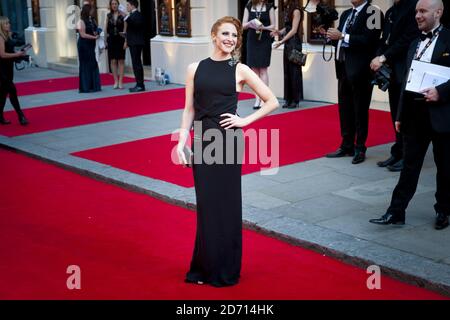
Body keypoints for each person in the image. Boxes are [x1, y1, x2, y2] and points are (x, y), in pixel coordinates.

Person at [176, 16, 279, 287]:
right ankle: (203, 268)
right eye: (225, 33)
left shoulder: (240, 68)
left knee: (228, 207)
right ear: (213, 35)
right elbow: (189, 109)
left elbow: (272, 101)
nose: (230, 39)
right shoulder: (194, 68)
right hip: (203, 142)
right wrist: (181, 141)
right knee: (207, 207)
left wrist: (244, 121)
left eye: (234, 35)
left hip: (228, 142)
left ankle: (226, 270)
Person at [370, 0, 450, 230]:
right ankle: (396, 212)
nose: (417, 15)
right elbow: (407, 82)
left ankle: (443, 210)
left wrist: (441, 92)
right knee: (409, 167)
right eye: (416, 11)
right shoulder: (414, 42)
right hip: (415, 115)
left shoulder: (449, 39)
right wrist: (400, 115)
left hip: (442, 115)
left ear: (439, 12)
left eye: (423, 11)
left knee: (445, 167)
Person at [326, 0, 383, 164]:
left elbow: (370, 40)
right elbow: (341, 41)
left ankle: (360, 147)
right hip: (343, 67)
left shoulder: (374, 11)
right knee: (344, 108)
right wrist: (331, 37)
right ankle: (346, 145)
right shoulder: (346, 14)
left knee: (360, 109)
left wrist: (343, 36)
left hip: (361, 70)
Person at [371, 0, 420, 172]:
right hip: (392, 69)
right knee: (395, 112)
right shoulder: (392, 11)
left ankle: (407, 156)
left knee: (405, 114)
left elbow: (407, 39)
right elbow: (385, 39)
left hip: (406, 68)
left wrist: (383, 57)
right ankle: (397, 151)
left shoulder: (414, 7)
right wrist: (378, 57)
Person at [242, 0, 275, 109]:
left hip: (264, 40)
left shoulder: (269, 6)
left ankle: (265, 99)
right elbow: (243, 25)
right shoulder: (249, 6)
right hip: (252, 40)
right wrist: (251, 23)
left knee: (263, 70)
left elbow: (273, 26)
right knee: (254, 71)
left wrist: (262, 28)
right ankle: (257, 98)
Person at [271, 0, 304, 109]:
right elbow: (288, 28)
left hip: (294, 43)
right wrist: (279, 32)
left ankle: (295, 99)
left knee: (294, 71)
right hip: (289, 43)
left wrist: (281, 41)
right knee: (287, 72)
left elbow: (294, 30)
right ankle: (288, 99)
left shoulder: (296, 11)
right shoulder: (289, 9)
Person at [0, 16, 28, 125]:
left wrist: (20, 54)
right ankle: (21, 115)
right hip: (2, 69)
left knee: (3, 93)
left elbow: (10, 49)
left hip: (8, 68)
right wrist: (17, 54)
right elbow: (2, 55)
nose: (9, 25)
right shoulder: (0, 37)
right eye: (6, 23)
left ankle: (0, 117)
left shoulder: (8, 35)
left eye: (9, 23)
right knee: (12, 91)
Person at [77, 4, 101, 93]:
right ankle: (85, 86)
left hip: (91, 45)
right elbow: (83, 35)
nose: (93, 11)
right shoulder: (80, 21)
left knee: (93, 63)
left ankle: (93, 86)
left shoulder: (92, 20)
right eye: (91, 10)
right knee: (85, 64)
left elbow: (93, 31)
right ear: (87, 11)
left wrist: (96, 33)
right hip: (84, 45)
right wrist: (94, 37)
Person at [124, 0, 145, 92]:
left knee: (137, 64)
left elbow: (135, 25)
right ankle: (138, 83)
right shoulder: (132, 15)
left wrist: (126, 17)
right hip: (133, 42)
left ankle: (140, 85)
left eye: (128, 5)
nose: (127, 7)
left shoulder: (137, 15)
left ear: (132, 6)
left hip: (136, 43)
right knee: (135, 63)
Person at [105, 0, 126, 89]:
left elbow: (125, 30)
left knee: (121, 60)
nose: (114, 5)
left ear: (118, 5)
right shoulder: (108, 16)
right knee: (113, 61)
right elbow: (106, 29)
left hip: (120, 40)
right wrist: (105, 40)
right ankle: (115, 81)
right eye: (112, 4)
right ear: (110, 5)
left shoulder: (123, 16)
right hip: (111, 40)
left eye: (115, 4)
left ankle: (121, 81)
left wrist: (126, 41)